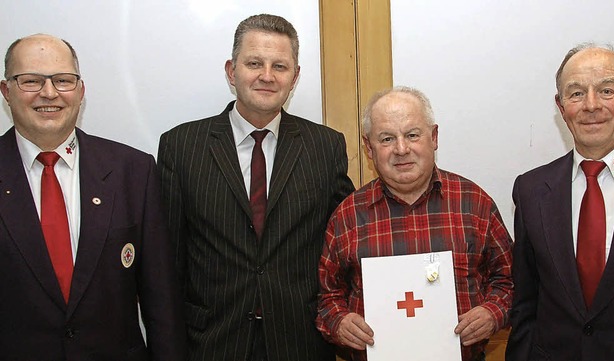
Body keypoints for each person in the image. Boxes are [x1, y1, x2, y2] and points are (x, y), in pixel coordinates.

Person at [157, 14, 355, 361]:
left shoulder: (326, 148)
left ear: (294, 77)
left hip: (300, 342)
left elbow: (345, 249)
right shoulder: (181, 146)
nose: (267, 75)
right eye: (254, 63)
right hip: (211, 343)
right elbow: (168, 261)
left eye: (279, 65)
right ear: (231, 71)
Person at [0, 34, 185, 360]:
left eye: (63, 80)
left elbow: (162, 302)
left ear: (81, 91)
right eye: (30, 80)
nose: (49, 92)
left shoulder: (134, 171)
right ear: (6, 92)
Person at [316, 86, 513, 361]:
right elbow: (326, 296)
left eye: (412, 135)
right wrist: (339, 322)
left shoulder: (475, 204)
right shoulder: (347, 216)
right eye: (386, 139)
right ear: (369, 148)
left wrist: (493, 312)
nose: (401, 149)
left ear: (433, 137)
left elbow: (509, 281)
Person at [506, 44, 614, 360]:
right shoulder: (531, 190)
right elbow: (525, 303)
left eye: (607, 90)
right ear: (561, 106)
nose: (590, 105)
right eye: (576, 93)